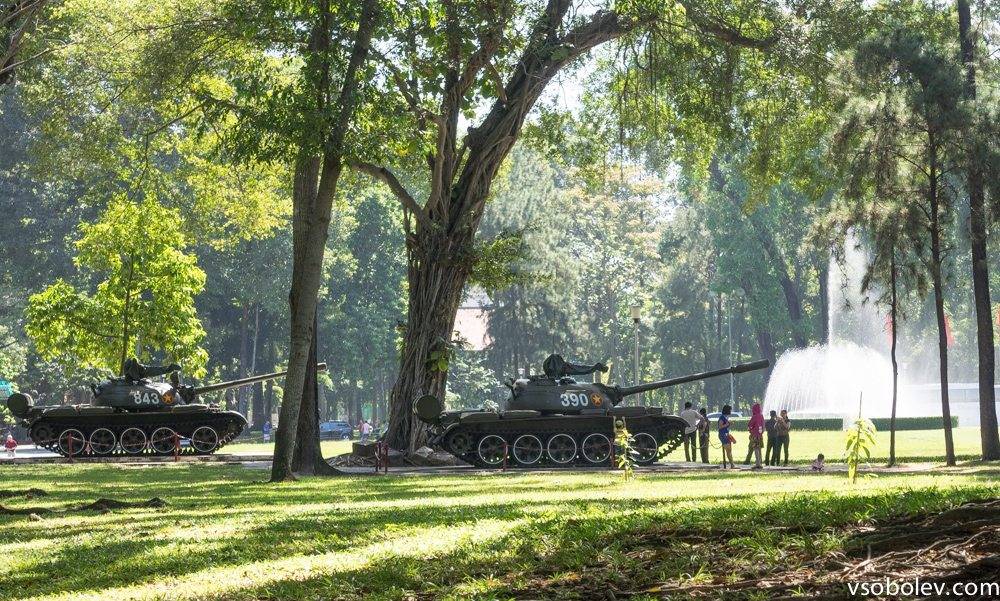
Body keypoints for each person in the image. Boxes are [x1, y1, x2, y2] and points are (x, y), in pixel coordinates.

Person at [747, 403, 764, 469]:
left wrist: (750, 430)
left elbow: (750, 425)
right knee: (759, 449)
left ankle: (757, 464)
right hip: (760, 435)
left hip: (754, 434)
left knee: (755, 448)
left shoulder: (754, 416)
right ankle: (760, 463)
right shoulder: (761, 416)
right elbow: (763, 425)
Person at [718, 405, 735, 469]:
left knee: (729, 450)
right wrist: (727, 424)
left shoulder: (726, 417)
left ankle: (732, 464)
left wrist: (729, 424)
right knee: (728, 450)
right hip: (723, 435)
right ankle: (732, 465)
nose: (731, 411)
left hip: (726, 434)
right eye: (730, 410)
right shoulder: (722, 417)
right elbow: (720, 427)